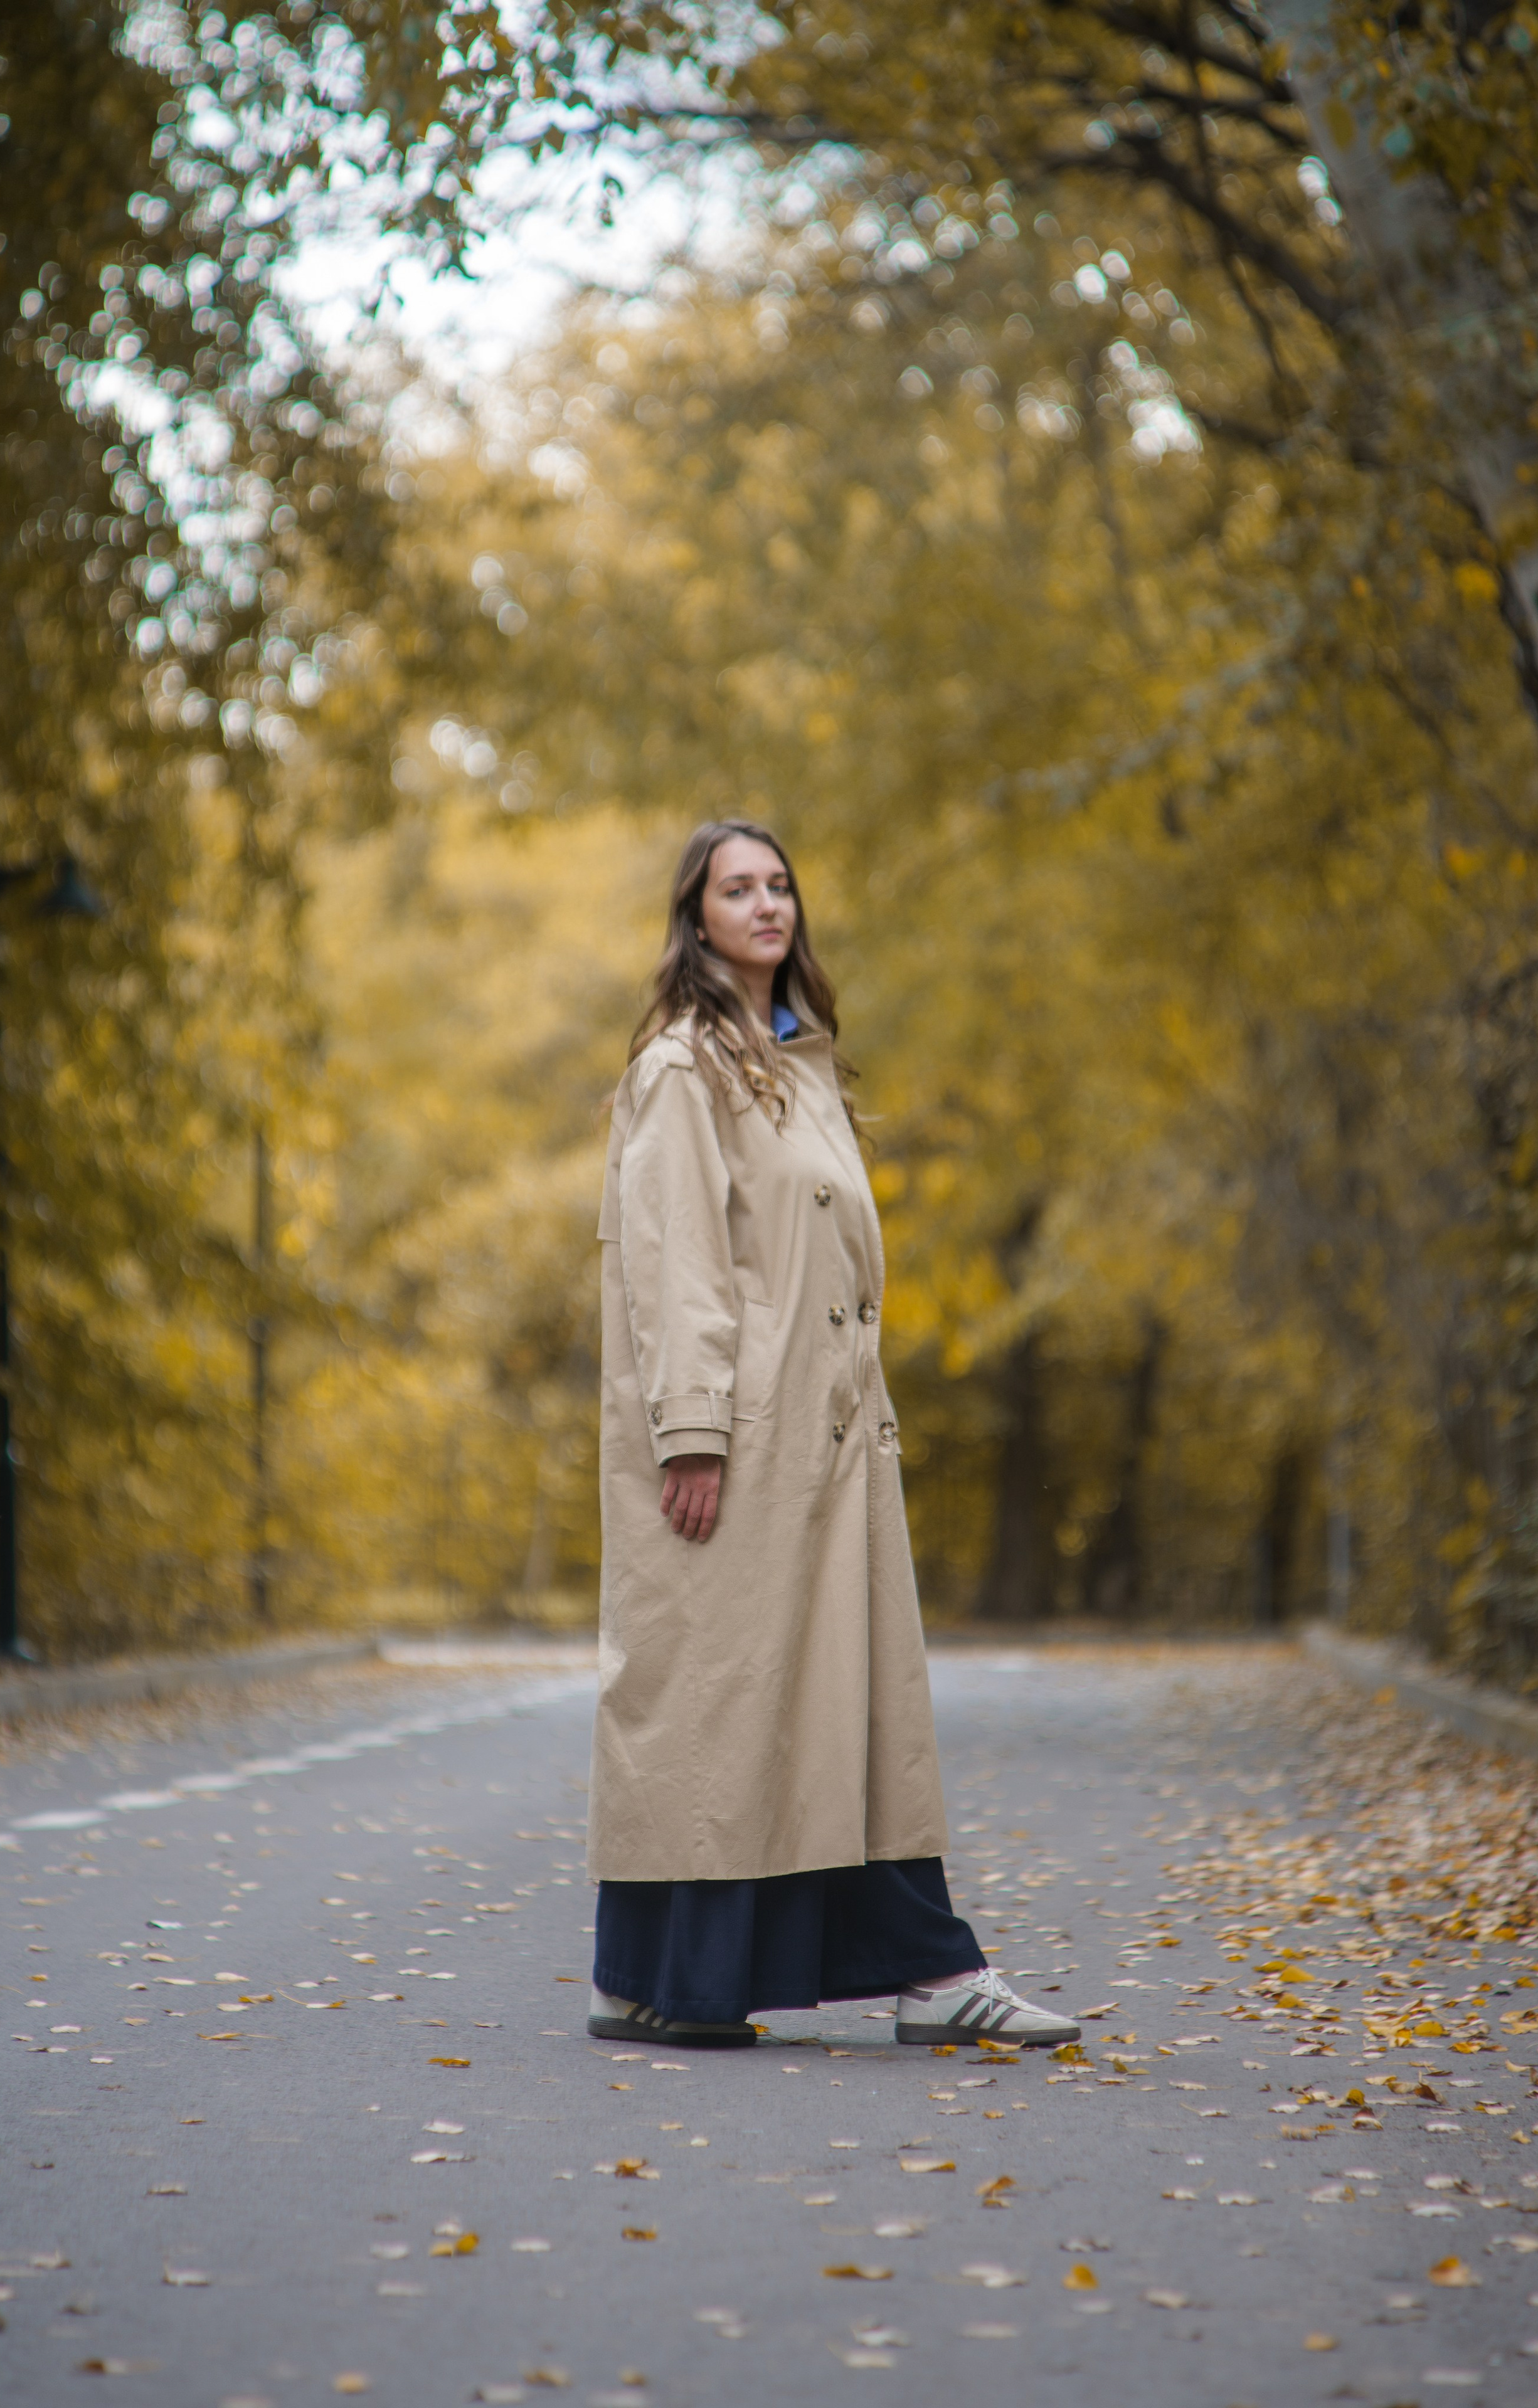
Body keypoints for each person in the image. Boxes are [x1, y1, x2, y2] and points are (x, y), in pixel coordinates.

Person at [586, 820, 1079, 2052]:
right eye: (736, 888)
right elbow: (673, 1260)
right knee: (724, 1701)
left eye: (779, 883)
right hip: (740, 1439)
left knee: (843, 1710)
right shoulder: (681, 1068)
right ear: (694, 919)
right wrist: (693, 1427)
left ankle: (915, 1973)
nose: (766, 904)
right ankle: (668, 1978)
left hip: (831, 1436)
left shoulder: (798, 1062)